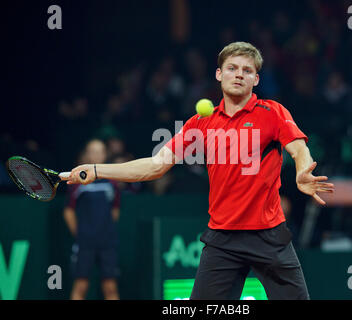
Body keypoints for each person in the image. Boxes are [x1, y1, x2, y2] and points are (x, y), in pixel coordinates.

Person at [66, 42, 334, 300]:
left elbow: (298, 149)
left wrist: (302, 171)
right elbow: (156, 165)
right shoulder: (201, 123)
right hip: (222, 240)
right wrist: (96, 170)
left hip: (268, 234)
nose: (239, 74)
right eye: (232, 68)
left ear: (256, 80)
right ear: (219, 74)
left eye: (247, 70)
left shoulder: (272, 112)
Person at [63, 139, 121, 300]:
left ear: (105, 154)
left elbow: (115, 210)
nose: (96, 154)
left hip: (107, 242)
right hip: (85, 243)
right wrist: (81, 234)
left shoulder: (112, 182)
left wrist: (104, 229)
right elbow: (68, 212)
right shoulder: (77, 181)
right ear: (87, 154)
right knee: (81, 286)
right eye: (92, 151)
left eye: (99, 151)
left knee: (110, 288)